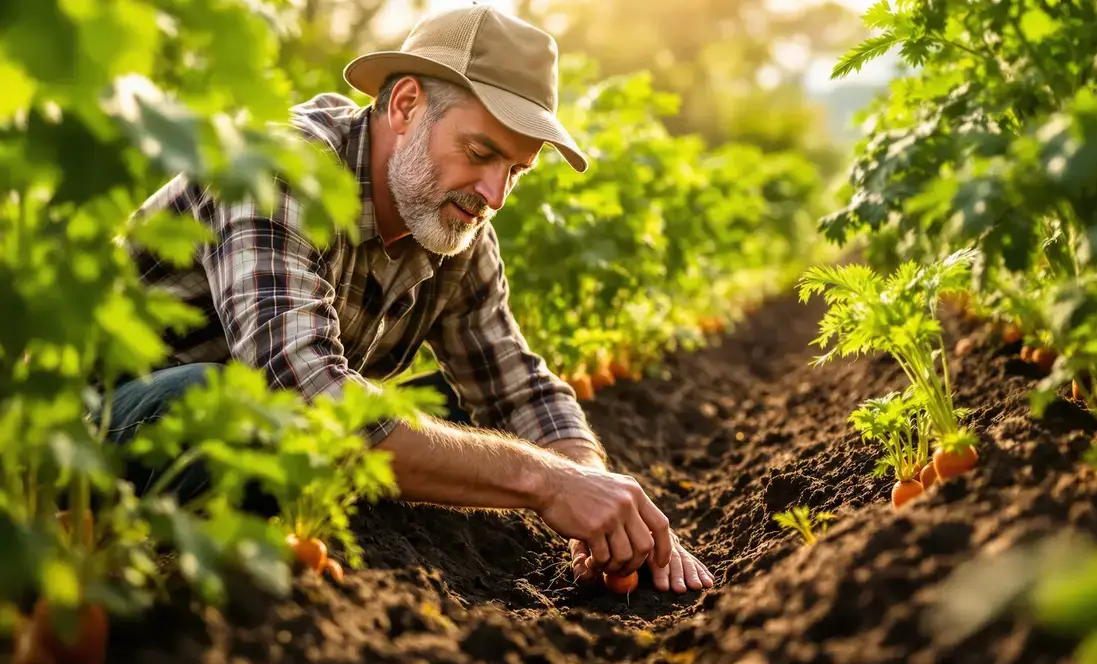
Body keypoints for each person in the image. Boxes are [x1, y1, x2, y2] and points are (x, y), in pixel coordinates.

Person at [115, 5, 714, 595]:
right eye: (481, 154)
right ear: (404, 105)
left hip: (270, 442)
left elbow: (515, 385)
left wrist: (600, 498)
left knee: (450, 406)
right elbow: (301, 392)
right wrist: (545, 482)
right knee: (217, 402)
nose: (494, 195)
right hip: (99, 431)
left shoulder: (459, 221)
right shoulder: (280, 171)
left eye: (516, 170)